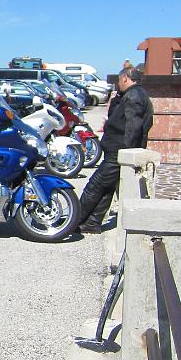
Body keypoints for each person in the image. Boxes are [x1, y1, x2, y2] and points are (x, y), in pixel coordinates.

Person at [76, 66, 155, 234]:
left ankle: (75, 219)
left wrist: (126, 153)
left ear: (125, 78)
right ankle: (92, 222)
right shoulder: (130, 95)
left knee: (95, 185)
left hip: (119, 151)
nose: (118, 84)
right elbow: (115, 117)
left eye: (119, 81)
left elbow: (133, 127)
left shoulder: (134, 96)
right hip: (115, 150)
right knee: (106, 188)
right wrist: (116, 98)